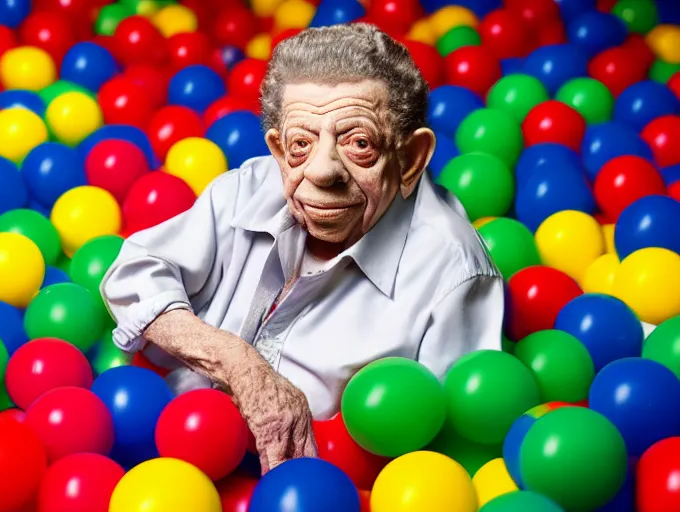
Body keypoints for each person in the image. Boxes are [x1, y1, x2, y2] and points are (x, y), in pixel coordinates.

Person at [100, 23, 504, 474]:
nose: (323, 171)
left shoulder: (454, 271)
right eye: (301, 144)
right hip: (157, 445)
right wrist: (237, 362)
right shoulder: (250, 186)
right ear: (278, 148)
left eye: (359, 144)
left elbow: (436, 455)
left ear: (409, 159)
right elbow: (135, 269)